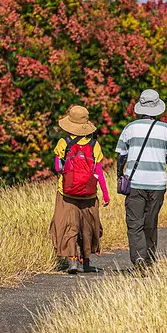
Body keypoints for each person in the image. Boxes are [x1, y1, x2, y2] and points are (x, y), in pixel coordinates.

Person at [115, 89, 167, 269]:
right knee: (151, 222)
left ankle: (139, 259)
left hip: (135, 183)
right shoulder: (166, 129)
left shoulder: (130, 128)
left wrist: (120, 175)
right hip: (158, 184)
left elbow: (121, 155)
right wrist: (160, 160)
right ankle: (150, 260)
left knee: (134, 222)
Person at [49, 105, 110, 274]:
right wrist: (105, 193)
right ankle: (87, 261)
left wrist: (69, 172)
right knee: (88, 227)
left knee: (69, 225)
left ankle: (72, 261)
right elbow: (98, 172)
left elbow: (57, 167)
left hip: (66, 193)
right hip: (89, 194)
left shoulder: (63, 143)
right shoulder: (94, 144)